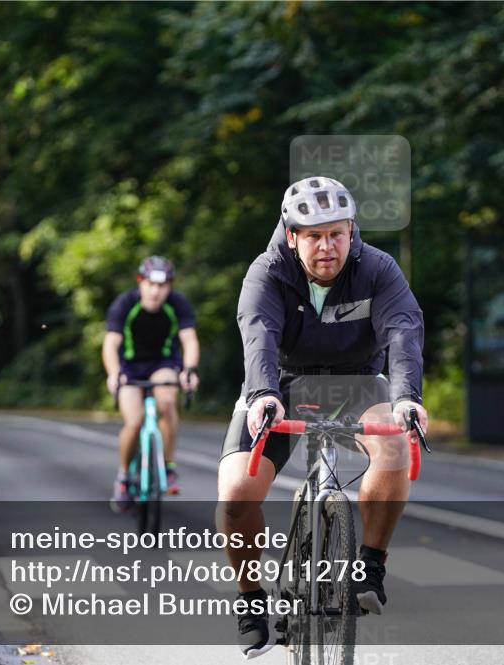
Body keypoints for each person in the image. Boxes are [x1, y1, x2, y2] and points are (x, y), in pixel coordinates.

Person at [217, 176, 428, 657]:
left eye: (337, 233)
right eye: (314, 236)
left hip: (357, 380)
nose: (327, 246)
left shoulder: (378, 268)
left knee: (393, 445)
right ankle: (251, 600)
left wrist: (406, 398)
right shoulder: (267, 272)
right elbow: (259, 336)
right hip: (283, 382)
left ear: (352, 231)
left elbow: (402, 331)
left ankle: (370, 564)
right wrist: (264, 394)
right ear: (293, 236)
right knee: (235, 493)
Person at [103, 256, 200, 509]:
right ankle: (123, 477)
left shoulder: (177, 304)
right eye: (151, 285)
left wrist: (189, 371)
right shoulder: (126, 303)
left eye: (163, 286)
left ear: (170, 286)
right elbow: (110, 344)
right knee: (133, 422)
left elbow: (189, 339)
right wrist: (114, 373)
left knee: (167, 402)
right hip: (130, 367)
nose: (156, 292)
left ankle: (168, 467)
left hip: (162, 365)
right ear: (140, 282)